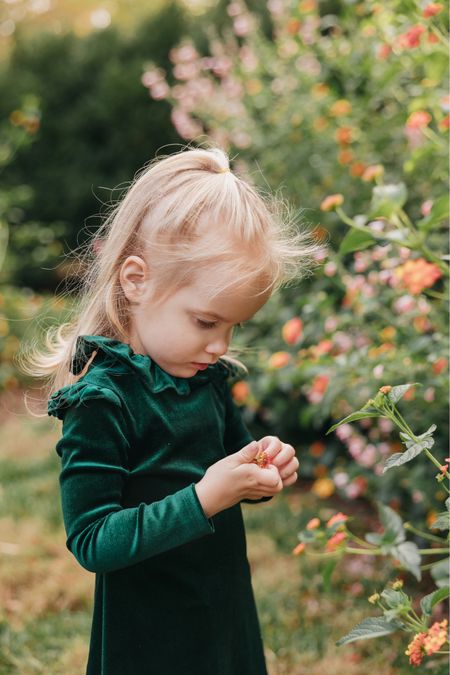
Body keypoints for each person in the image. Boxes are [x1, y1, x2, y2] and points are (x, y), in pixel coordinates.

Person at [24, 145, 325, 674]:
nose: (219, 345)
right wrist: (205, 498)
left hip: (221, 607)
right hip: (150, 635)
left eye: (234, 327)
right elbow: (93, 540)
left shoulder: (208, 379)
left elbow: (233, 464)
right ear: (136, 280)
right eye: (207, 323)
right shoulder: (101, 401)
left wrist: (264, 465)